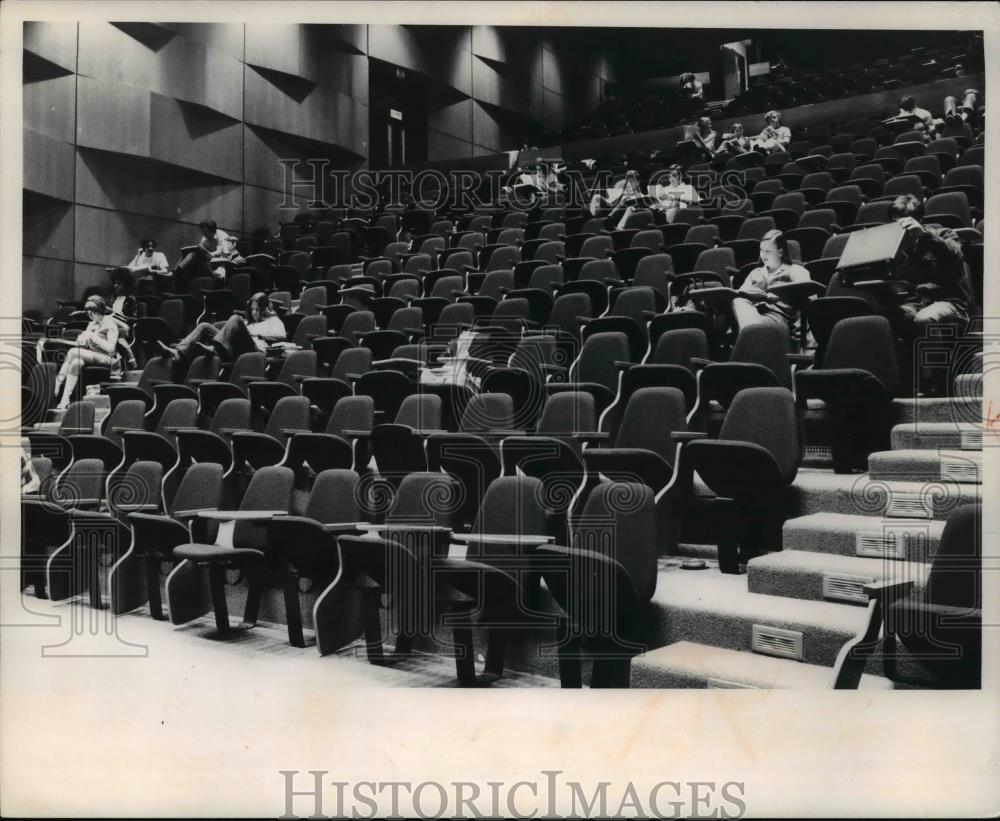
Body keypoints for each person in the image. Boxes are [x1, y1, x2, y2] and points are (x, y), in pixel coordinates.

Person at [889, 194, 976, 331]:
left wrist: (924, 235)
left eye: (903, 222)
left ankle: (934, 353)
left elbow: (955, 256)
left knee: (924, 318)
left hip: (951, 301)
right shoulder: (896, 247)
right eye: (895, 222)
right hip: (918, 303)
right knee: (887, 317)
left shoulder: (944, 234)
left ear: (920, 220)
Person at [159, 292, 286, 363]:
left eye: (257, 310)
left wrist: (253, 331)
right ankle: (179, 352)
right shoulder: (250, 322)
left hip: (255, 350)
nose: (254, 313)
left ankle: (214, 348)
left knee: (235, 318)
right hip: (234, 349)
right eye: (252, 310)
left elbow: (282, 335)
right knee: (204, 326)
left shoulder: (273, 320)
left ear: (264, 310)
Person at [732, 229, 812, 334]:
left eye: (768, 251)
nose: (763, 255)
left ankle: (751, 336)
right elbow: (742, 295)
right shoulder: (755, 273)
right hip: (755, 314)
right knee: (738, 301)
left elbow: (809, 300)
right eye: (761, 250)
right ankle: (754, 335)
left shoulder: (796, 270)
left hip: (779, 318)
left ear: (780, 252)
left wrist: (798, 327)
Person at [52, 296, 120, 410]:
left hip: (106, 358)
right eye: (88, 311)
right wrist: (82, 341)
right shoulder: (91, 324)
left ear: (99, 310)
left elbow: (111, 348)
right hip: (92, 355)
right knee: (76, 362)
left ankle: (58, 383)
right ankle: (65, 400)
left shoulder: (110, 324)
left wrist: (93, 337)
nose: (89, 313)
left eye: (92, 311)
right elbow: (86, 345)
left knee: (73, 352)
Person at [172, 220, 232, 293]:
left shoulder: (222, 236)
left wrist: (210, 254)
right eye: (202, 231)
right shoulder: (204, 238)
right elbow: (201, 249)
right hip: (207, 263)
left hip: (218, 265)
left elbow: (223, 251)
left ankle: (175, 271)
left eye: (205, 231)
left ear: (213, 230)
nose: (203, 234)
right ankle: (177, 272)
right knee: (185, 253)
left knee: (193, 255)